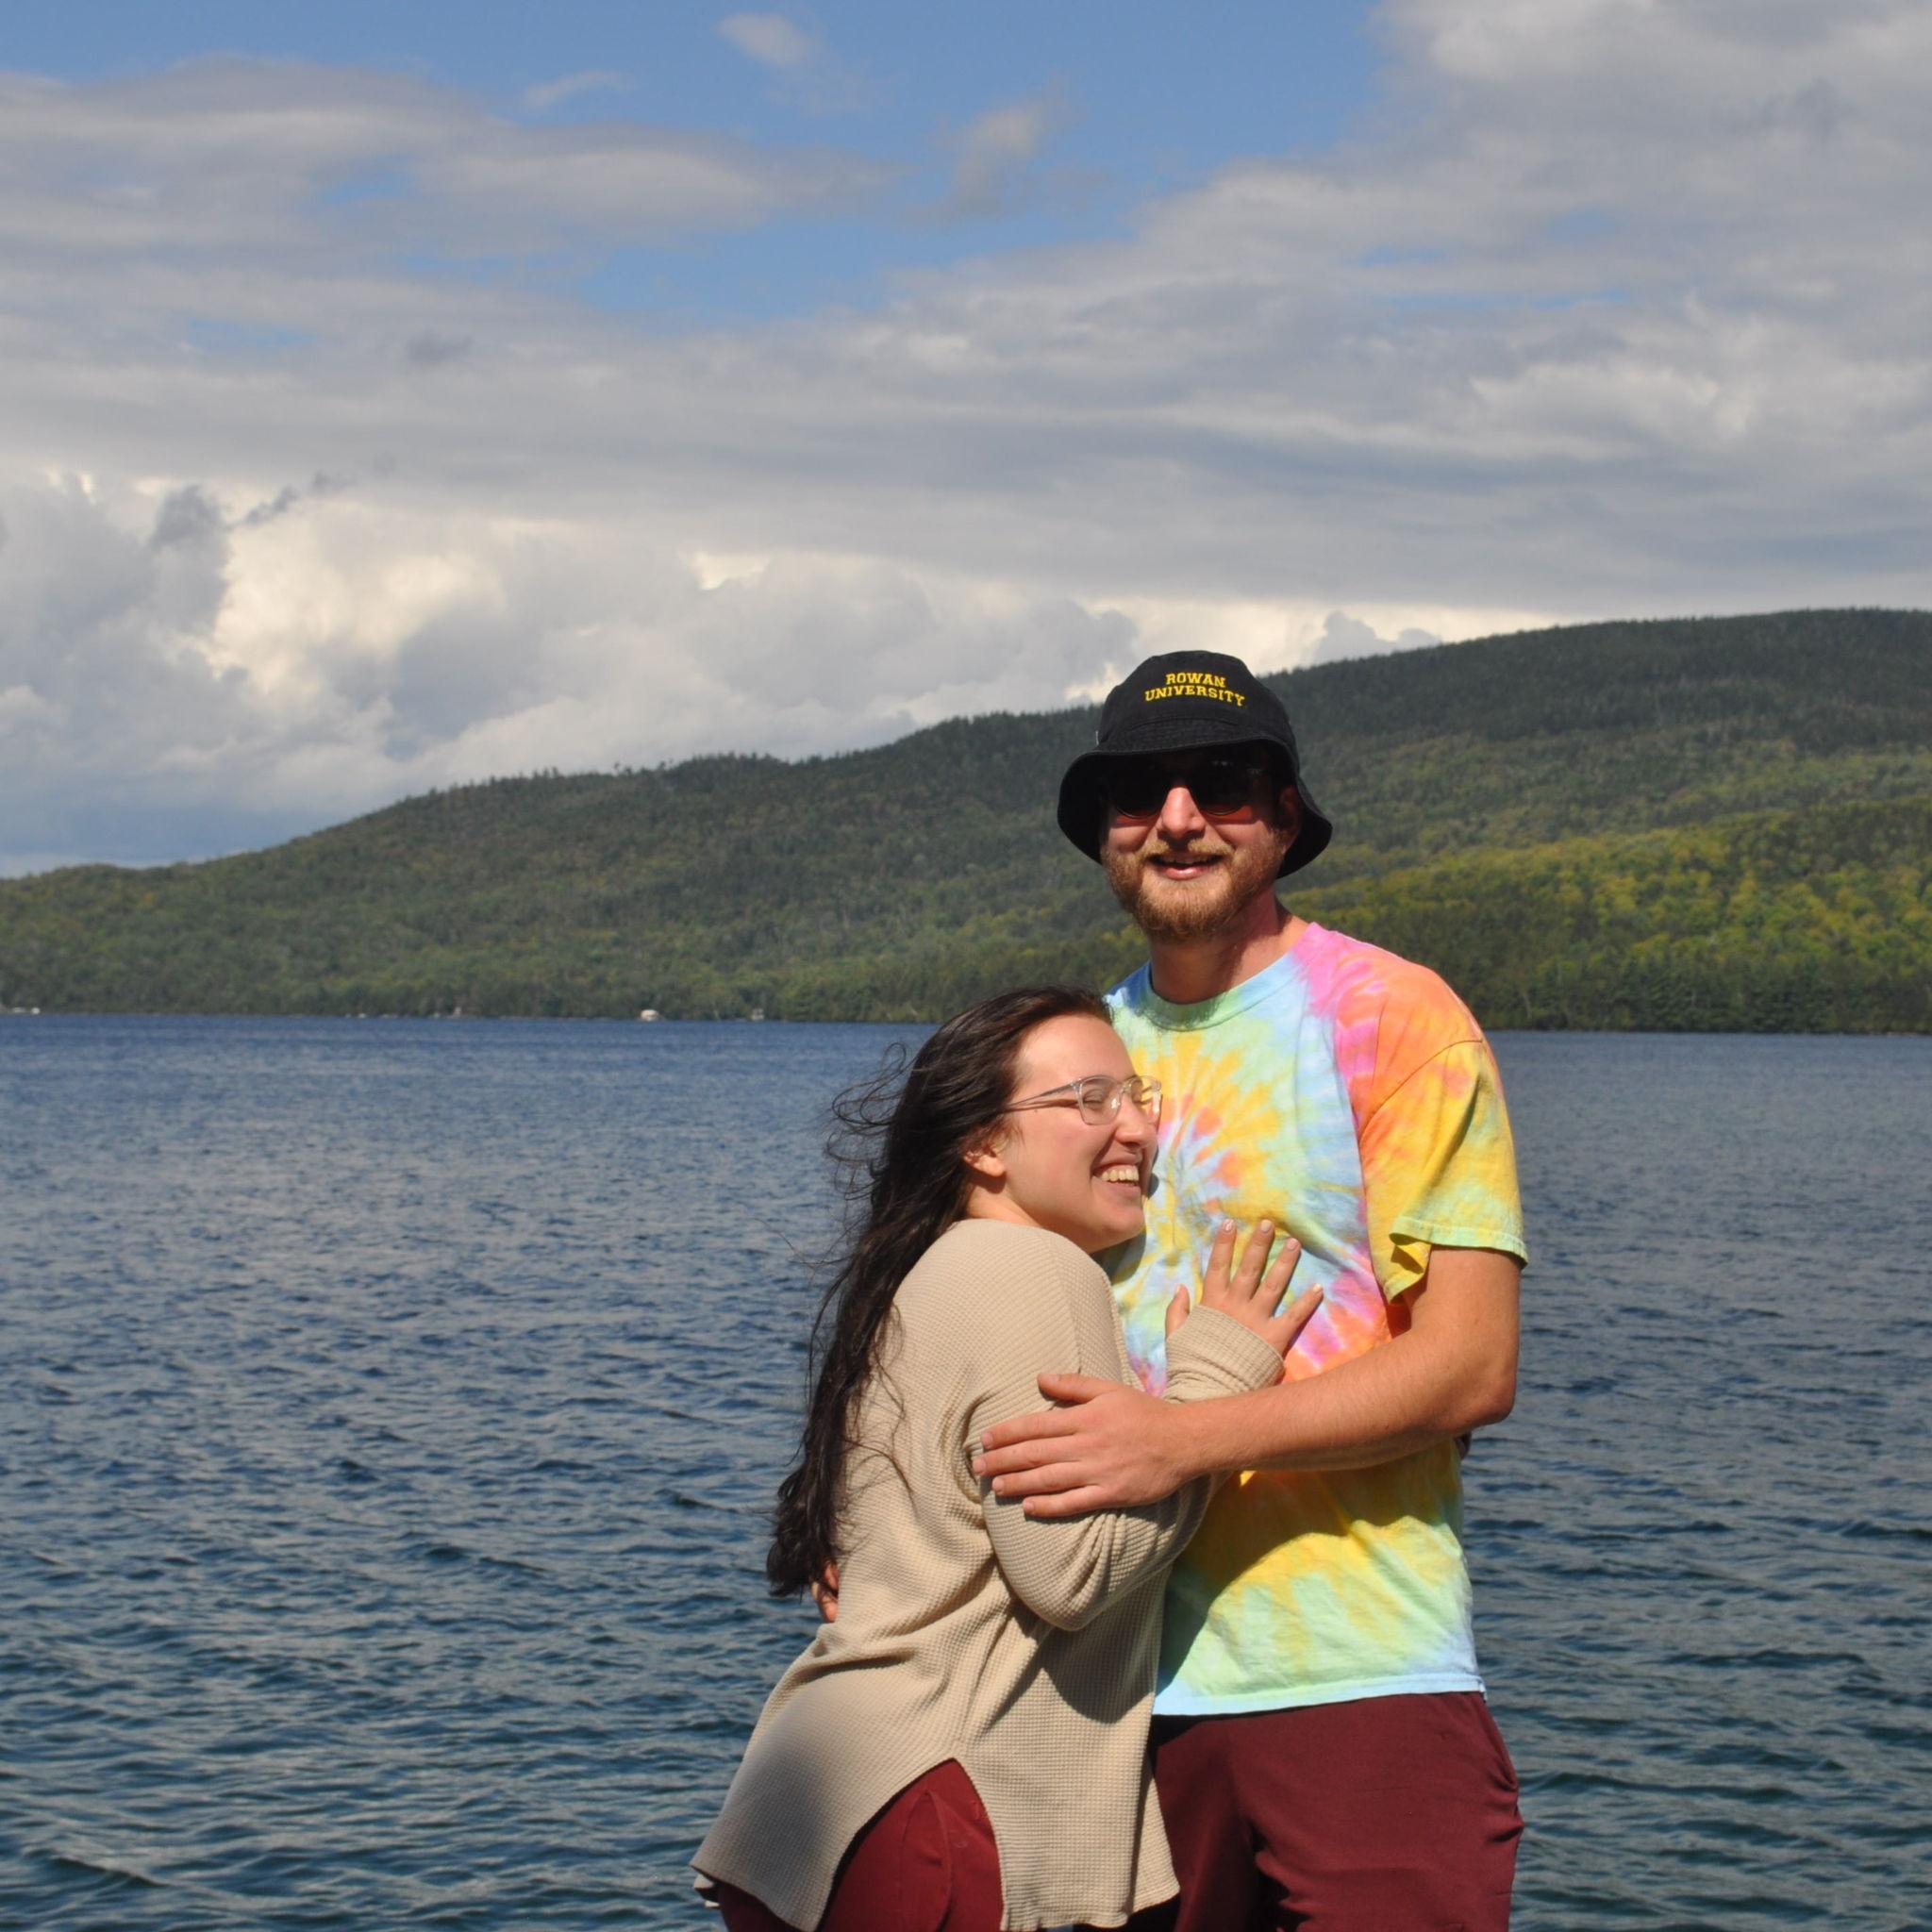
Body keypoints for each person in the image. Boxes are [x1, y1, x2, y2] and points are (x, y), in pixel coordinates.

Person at [974, 651, 1530, 1931]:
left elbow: (1470, 1366)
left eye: (1222, 784)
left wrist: (1178, 1440)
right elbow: (965, 1295)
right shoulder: (1075, 1059)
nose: (1178, 817)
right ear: (1102, 838)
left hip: (1354, 1680)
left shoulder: (1391, 1019)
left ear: (1283, 817)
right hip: (1097, 1689)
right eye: (1138, 792)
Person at [691, 985, 1321, 1932]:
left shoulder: (925, 1272)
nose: (1136, 1129)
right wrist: (1210, 1390)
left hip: (826, 1795)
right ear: (983, 1146)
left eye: (1138, 1096)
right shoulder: (1034, 1269)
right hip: (934, 1806)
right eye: (1087, 1100)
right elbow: (1063, 1570)